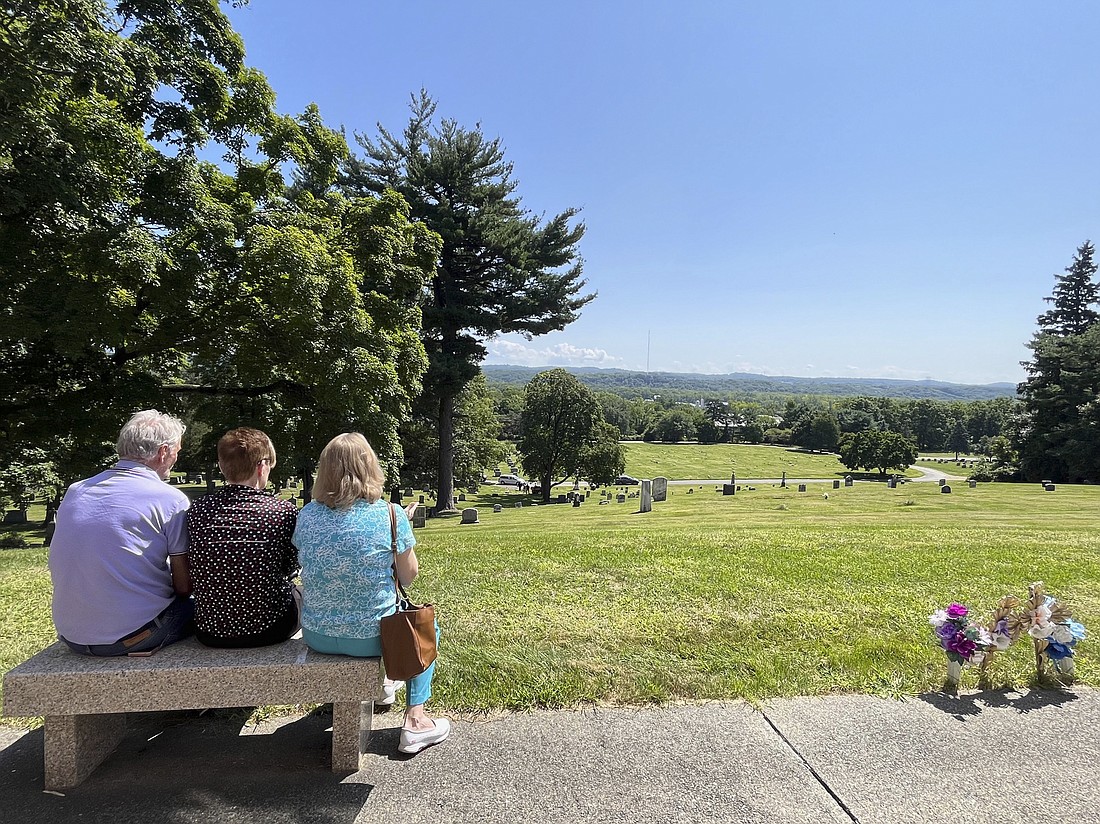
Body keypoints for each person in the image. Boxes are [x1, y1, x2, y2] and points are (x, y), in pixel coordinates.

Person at [293, 432, 450, 755]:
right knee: (426, 629)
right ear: (370, 468)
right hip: (372, 636)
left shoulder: (306, 515)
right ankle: (416, 721)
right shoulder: (389, 514)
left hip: (317, 632)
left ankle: (383, 689)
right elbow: (409, 575)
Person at [49, 410, 194, 656]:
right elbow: (183, 586)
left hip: (71, 635)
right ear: (163, 452)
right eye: (177, 452)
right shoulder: (170, 499)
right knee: (211, 608)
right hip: (133, 636)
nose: (175, 460)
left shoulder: (76, 491)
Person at [186, 428, 300, 648]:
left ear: (221, 465)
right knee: (300, 594)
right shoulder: (283, 512)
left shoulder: (197, 511)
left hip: (210, 630)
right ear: (261, 466)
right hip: (270, 628)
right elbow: (290, 566)